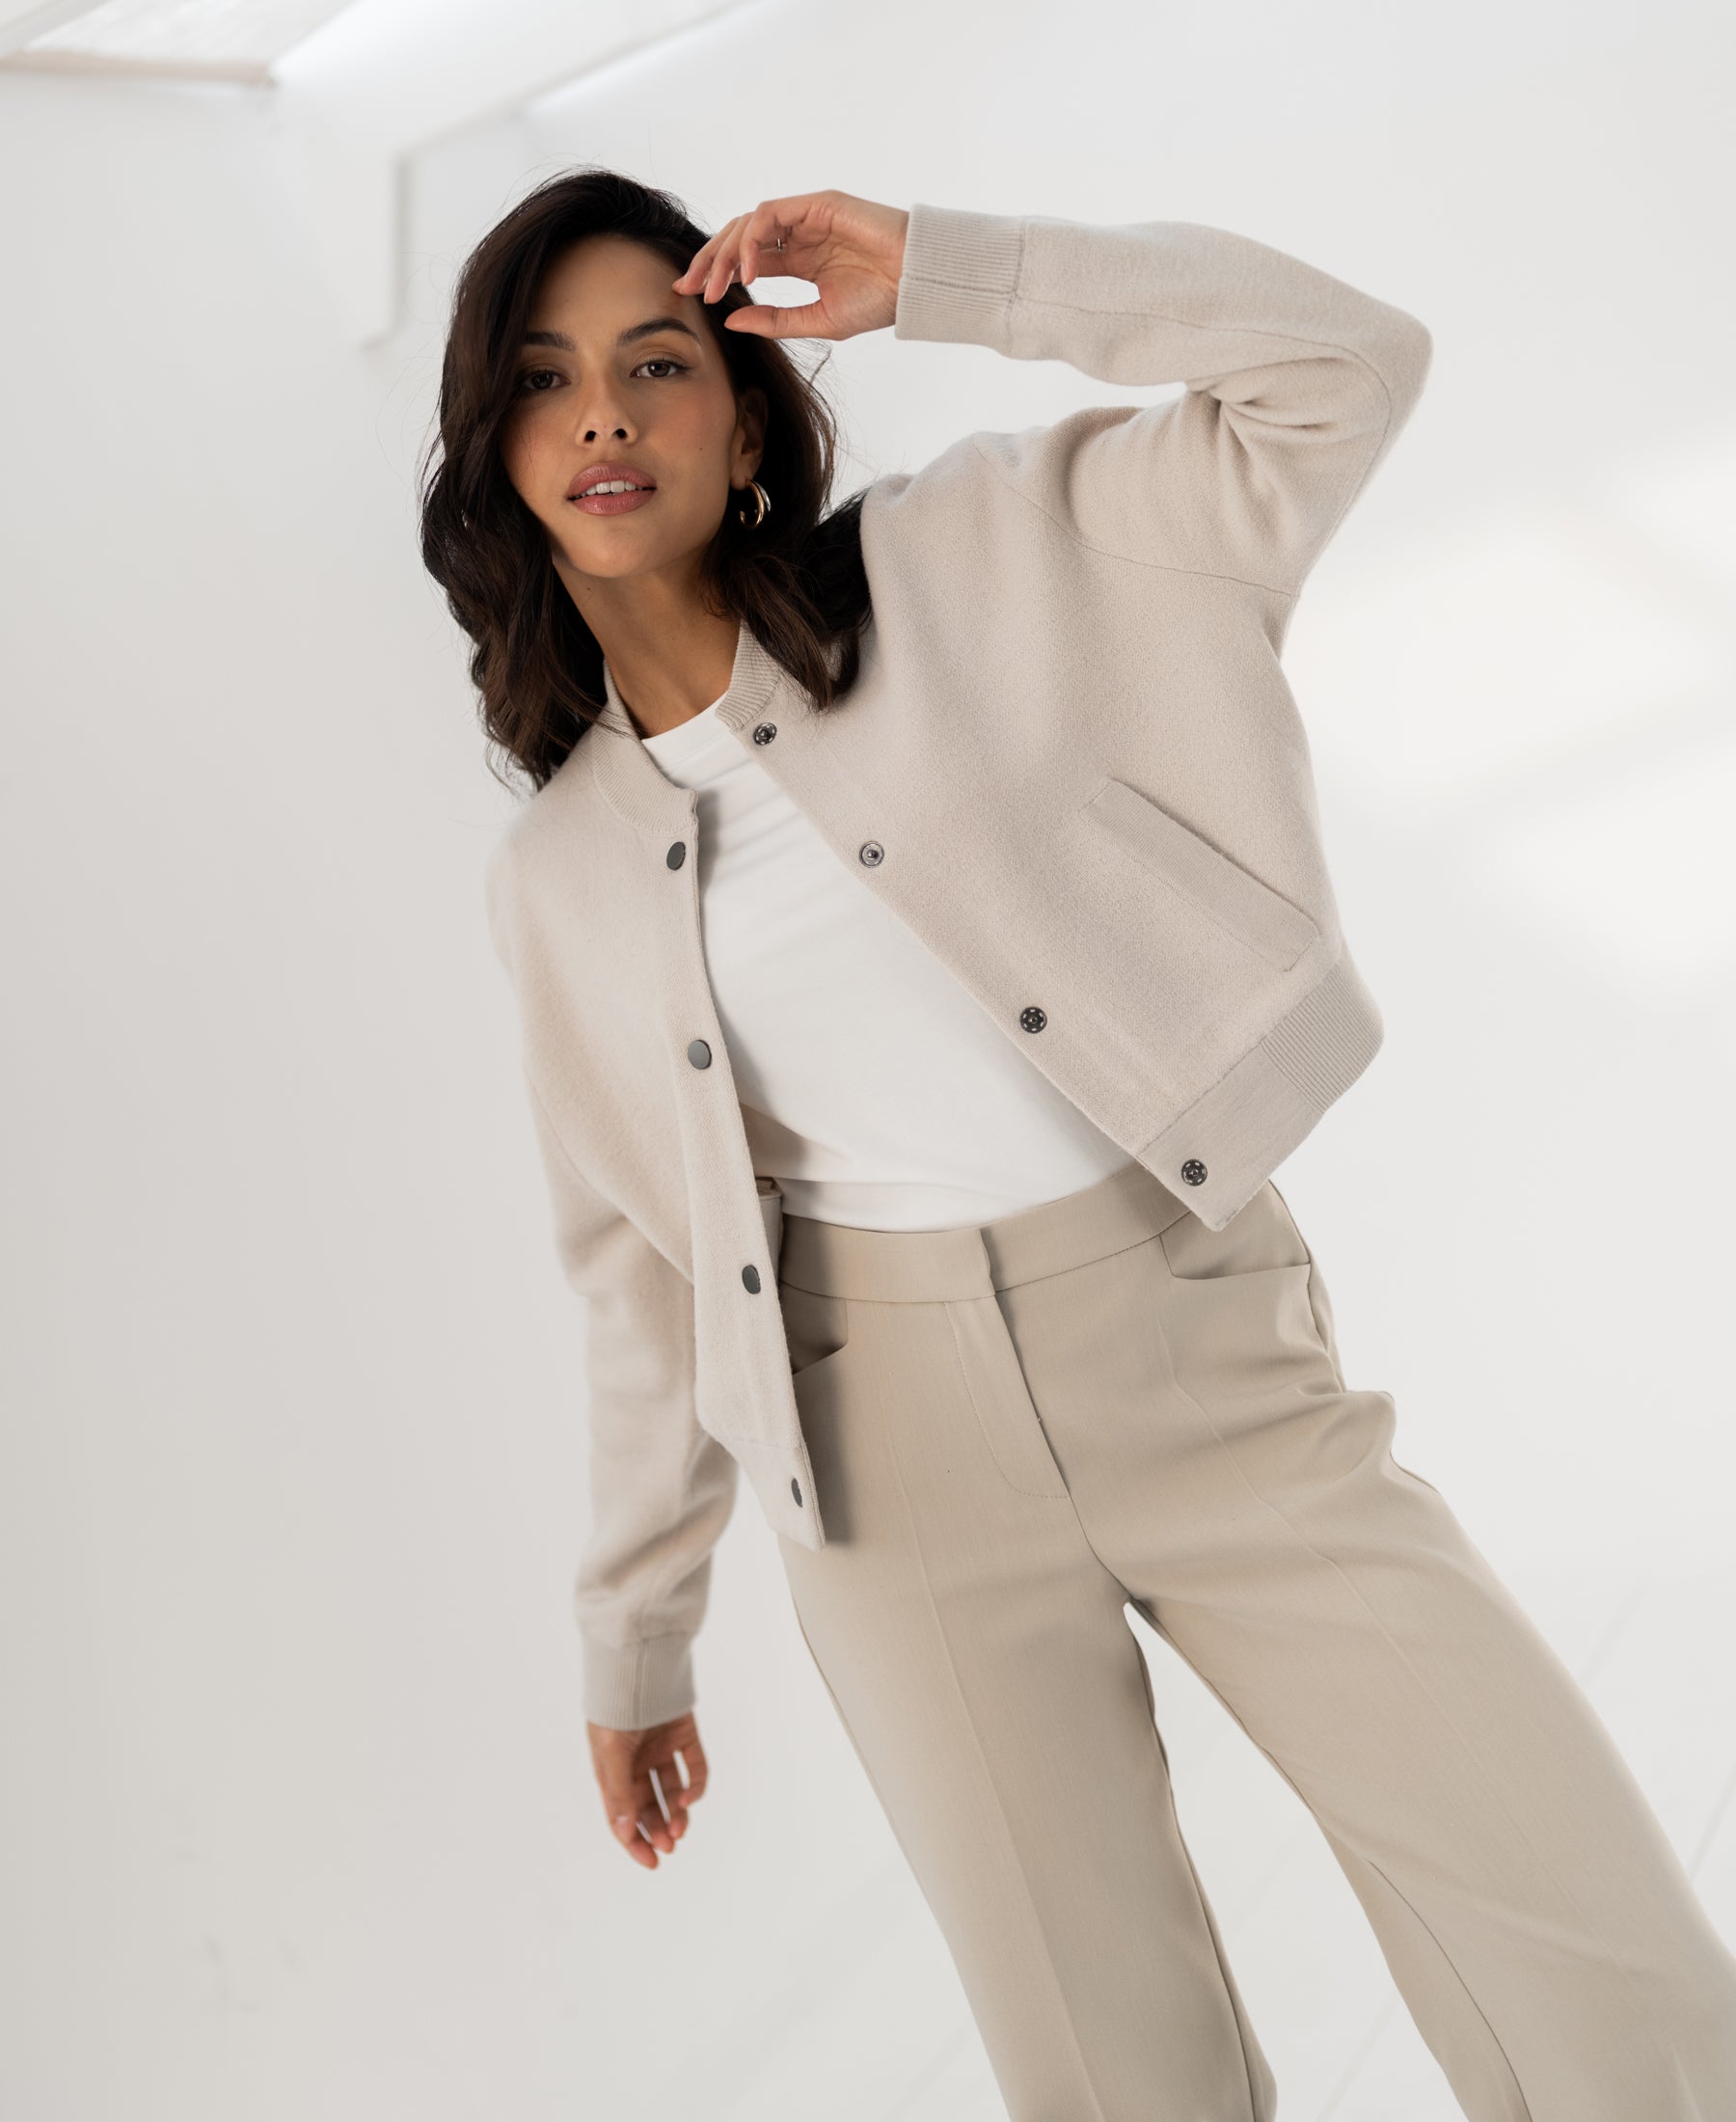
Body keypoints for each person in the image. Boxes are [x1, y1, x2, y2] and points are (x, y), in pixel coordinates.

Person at [420, 170, 1736, 2120]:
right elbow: (645, 1272)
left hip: (1200, 1349)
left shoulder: (980, 556)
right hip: (888, 1477)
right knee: (1115, 2081)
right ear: (497, 453)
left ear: (747, 404)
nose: (604, 415)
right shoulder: (558, 878)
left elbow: (1346, 369)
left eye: (658, 361)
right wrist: (636, 1634)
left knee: (1608, 1981)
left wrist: (953, 276)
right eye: (545, 379)